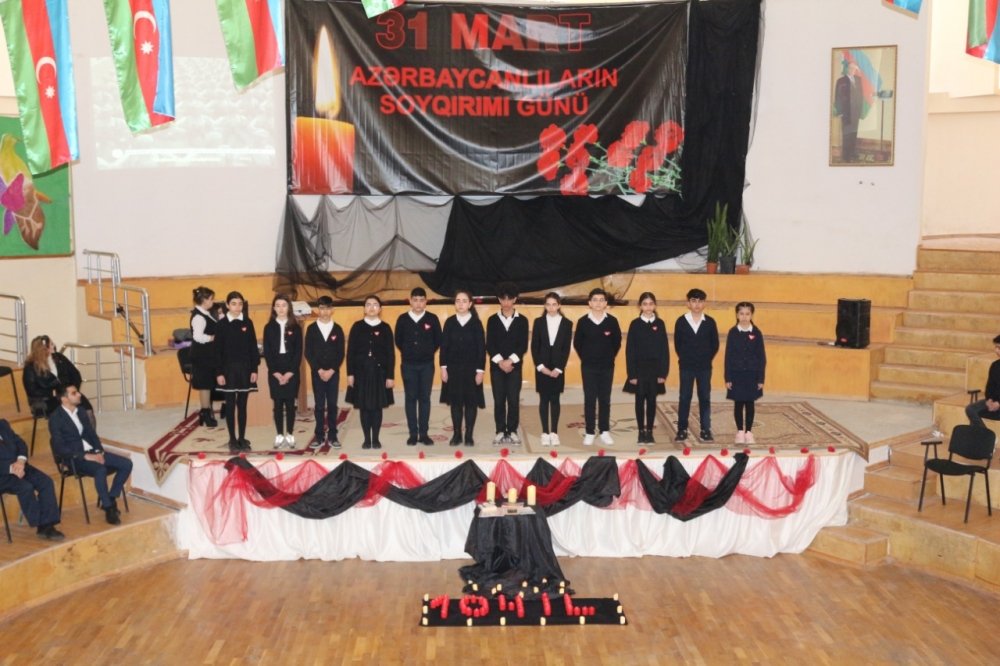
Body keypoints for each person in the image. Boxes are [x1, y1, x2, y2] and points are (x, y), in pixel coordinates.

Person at [49, 385, 132, 525]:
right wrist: (84, 456)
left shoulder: (81, 411)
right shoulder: (56, 418)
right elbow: (59, 448)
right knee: (100, 470)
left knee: (126, 464)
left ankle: (111, 498)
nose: (79, 394)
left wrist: (99, 451)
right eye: (74, 393)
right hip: (75, 458)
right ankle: (108, 508)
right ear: (64, 399)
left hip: (92, 452)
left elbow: (92, 434)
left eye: (77, 392)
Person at [573, 288, 622, 446]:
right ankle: (589, 431)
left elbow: (617, 343)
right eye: (595, 300)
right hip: (588, 367)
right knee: (589, 399)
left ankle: (604, 430)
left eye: (601, 300)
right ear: (589, 303)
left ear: (606, 303)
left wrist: (608, 357)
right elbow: (578, 343)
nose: (598, 303)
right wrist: (587, 357)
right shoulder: (583, 321)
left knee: (605, 399)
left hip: (607, 367)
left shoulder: (612, 321)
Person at [345, 295, 395, 450]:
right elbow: (350, 352)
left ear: (380, 309)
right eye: (368, 304)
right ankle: (367, 439)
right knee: (364, 407)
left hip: (380, 373)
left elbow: (391, 354)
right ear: (364, 308)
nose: (371, 307)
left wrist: (390, 376)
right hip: (361, 373)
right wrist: (350, 373)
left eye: (375, 304)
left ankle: (376, 439)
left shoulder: (385, 327)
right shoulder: (357, 327)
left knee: (377, 407)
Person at [0, 418, 63, 540]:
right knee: (25, 487)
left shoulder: (2, 424)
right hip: (2, 474)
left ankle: (47, 525)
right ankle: (41, 524)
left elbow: (20, 443)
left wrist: (21, 461)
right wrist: (11, 468)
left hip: (20, 465)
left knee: (46, 482)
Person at [394, 287, 441, 446]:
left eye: (421, 300)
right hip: (408, 365)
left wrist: (426, 352)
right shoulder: (403, 319)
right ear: (410, 301)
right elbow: (398, 340)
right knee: (410, 398)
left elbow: (437, 340)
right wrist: (410, 352)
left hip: (427, 365)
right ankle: (413, 434)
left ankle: (424, 434)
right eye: (415, 300)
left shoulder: (432, 319)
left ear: (425, 302)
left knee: (425, 398)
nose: (418, 303)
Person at [215, 291, 259, 453]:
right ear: (227, 305)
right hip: (228, 371)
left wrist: (254, 369)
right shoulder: (221, 325)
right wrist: (219, 373)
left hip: (245, 370)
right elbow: (217, 351)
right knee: (230, 405)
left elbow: (253, 347)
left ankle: (241, 437)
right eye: (233, 304)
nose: (237, 307)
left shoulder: (248, 322)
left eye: (240, 304)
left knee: (242, 405)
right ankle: (232, 438)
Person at [440, 289, 486, 447]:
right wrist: (443, 368)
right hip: (453, 370)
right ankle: (457, 434)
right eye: (458, 301)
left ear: (470, 304)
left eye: (464, 301)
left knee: (471, 403)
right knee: (456, 403)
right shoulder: (450, 322)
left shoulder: (476, 323)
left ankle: (469, 435)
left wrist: (480, 371)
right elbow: (444, 347)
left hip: (472, 370)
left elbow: (481, 349)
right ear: (454, 303)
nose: (461, 304)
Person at [623, 292, 670, 444]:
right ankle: (640, 431)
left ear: (655, 305)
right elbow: (630, 350)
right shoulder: (635, 324)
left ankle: (649, 431)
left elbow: (664, 350)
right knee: (639, 400)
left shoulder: (660, 324)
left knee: (651, 401)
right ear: (640, 306)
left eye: (651, 304)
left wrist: (663, 373)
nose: (648, 307)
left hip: (655, 370)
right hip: (639, 369)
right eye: (645, 304)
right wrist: (632, 374)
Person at [674, 288, 720, 442]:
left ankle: (705, 429)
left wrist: (706, 358)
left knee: (704, 397)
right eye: (693, 301)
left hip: (704, 367)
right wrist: (686, 357)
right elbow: (678, 344)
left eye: (700, 301)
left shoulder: (710, 322)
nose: (697, 304)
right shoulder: (681, 321)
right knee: (684, 397)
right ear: (688, 303)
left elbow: (715, 344)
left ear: (704, 303)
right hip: (686, 366)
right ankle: (682, 429)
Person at [486, 282, 529, 446]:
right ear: (499, 300)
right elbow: (490, 344)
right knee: (498, 400)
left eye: (509, 299)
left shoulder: (522, 320)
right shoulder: (492, 320)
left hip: (514, 367)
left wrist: (510, 361)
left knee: (513, 400)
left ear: (515, 299)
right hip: (496, 367)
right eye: (503, 299)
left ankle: (512, 430)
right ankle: (499, 430)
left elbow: (523, 345)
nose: (506, 302)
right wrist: (500, 362)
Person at [22, 335, 95, 426]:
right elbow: (32, 391)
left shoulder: (59, 357)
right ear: (44, 349)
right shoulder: (30, 368)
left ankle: (90, 435)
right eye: (51, 344)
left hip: (67, 392)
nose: (54, 345)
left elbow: (75, 374)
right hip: (47, 399)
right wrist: (53, 393)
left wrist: (73, 390)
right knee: (68, 413)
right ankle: (73, 433)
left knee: (87, 410)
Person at [531, 292, 572, 447]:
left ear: (559, 305)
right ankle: (545, 432)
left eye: (554, 304)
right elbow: (534, 346)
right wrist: (541, 367)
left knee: (555, 399)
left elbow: (566, 348)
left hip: (557, 368)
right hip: (542, 367)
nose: (551, 307)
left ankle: (554, 432)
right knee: (543, 399)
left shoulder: (567, 323)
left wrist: (559, 368)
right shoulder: (538, 322)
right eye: (548, 304)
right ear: (545, 306)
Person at [305, 296, 345, 449]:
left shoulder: (337, 329)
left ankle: (333, 435)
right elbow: (308, 352)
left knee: (333, 404)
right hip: (318, 373)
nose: (325, 311)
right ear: (318, 310)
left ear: (332, 310)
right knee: (320, 405)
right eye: (322, 308)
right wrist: (319, 370)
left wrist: (332, 370)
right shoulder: (311, 329)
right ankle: (319, 435)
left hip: (333, 373)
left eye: (328, 308)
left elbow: (341, 352)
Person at [263, 294, 303, 449]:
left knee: (290, 403)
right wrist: (275, 372)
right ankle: (279, 434)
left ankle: (290, 434)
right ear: (274, 308)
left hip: (291, 369)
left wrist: (290, 372)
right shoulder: (269, 327)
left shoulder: (296, 327)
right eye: (278, 305)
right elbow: (267, 352)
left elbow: (298, 352)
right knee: (278, 403)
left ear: (289, 308)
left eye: (284, 305)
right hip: (275, 370)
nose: (281, 308)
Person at [725, 302, 767, 444]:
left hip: (752, 375)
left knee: (750, 403)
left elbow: (761, 357)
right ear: (737, 315)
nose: (744, 317)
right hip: (736, 374)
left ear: (751, 315)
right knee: (738, 403)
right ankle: (740, 431)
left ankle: (749, 431)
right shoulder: (732, 332)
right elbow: (728, 356)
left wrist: (760, 378)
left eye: (747, 314)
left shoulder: (756, 333)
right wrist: (728, 377)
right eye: (741, 314)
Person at [189, 286, 221, 427]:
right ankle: (205, 413)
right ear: (204, 300)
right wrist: (213, 337)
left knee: (208, 384)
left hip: (208, 355)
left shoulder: (206, 313)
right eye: (211, 299)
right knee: (205, 385)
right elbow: (198, 337)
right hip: (202, 356)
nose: (213, 301)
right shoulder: (198, 317)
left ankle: (206, 412)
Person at [966, 334, 1000, 428]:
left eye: (999, 348)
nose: (996, 350)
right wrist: (989, 400)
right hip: (993, 401)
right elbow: (990, 386)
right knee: (971, 409)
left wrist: (998, 403)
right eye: (996, 347)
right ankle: (985, 434)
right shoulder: (995, 365)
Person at [834, 60, 864, 163]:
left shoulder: (858, 79)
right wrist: (839, 111)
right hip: (846, 112)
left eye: (854, 68)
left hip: (856, 111)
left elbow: (861, 96)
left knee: (854, 132)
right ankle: (846, 156)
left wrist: (860, 111)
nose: (852, 70)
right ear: (847, 68)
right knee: (847, 134)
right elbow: (837, 97)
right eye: (850, 68)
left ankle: (852, 152)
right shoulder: (841, 81)